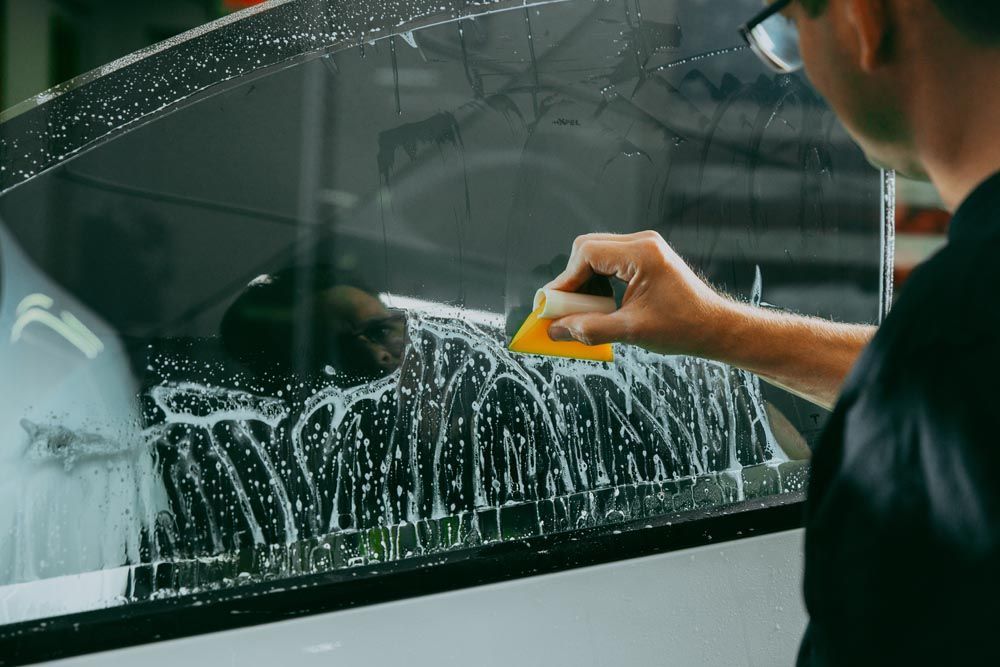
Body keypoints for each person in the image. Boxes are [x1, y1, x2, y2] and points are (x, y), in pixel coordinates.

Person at [543, 0, 1000, 663]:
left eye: (788, 29)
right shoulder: (953, 348)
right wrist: (718, 328)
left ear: (861, 20)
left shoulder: (950, 339)